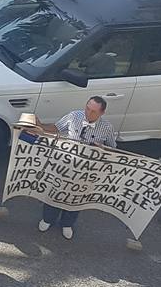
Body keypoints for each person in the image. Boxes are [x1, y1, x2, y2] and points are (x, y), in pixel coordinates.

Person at [33, 96, 118, 240]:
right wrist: (40, 126)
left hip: (86, 170)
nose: (88, 113)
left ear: (102, 113)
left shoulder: (107, 128)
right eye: (87, 109)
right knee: (56, 190)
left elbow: (113, 149)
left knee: (76, 197)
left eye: (93, 112)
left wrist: (102, 149)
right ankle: (48, 219)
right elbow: (56, 128)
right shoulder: (74, 116)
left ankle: (67, 223)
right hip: (65, 164)